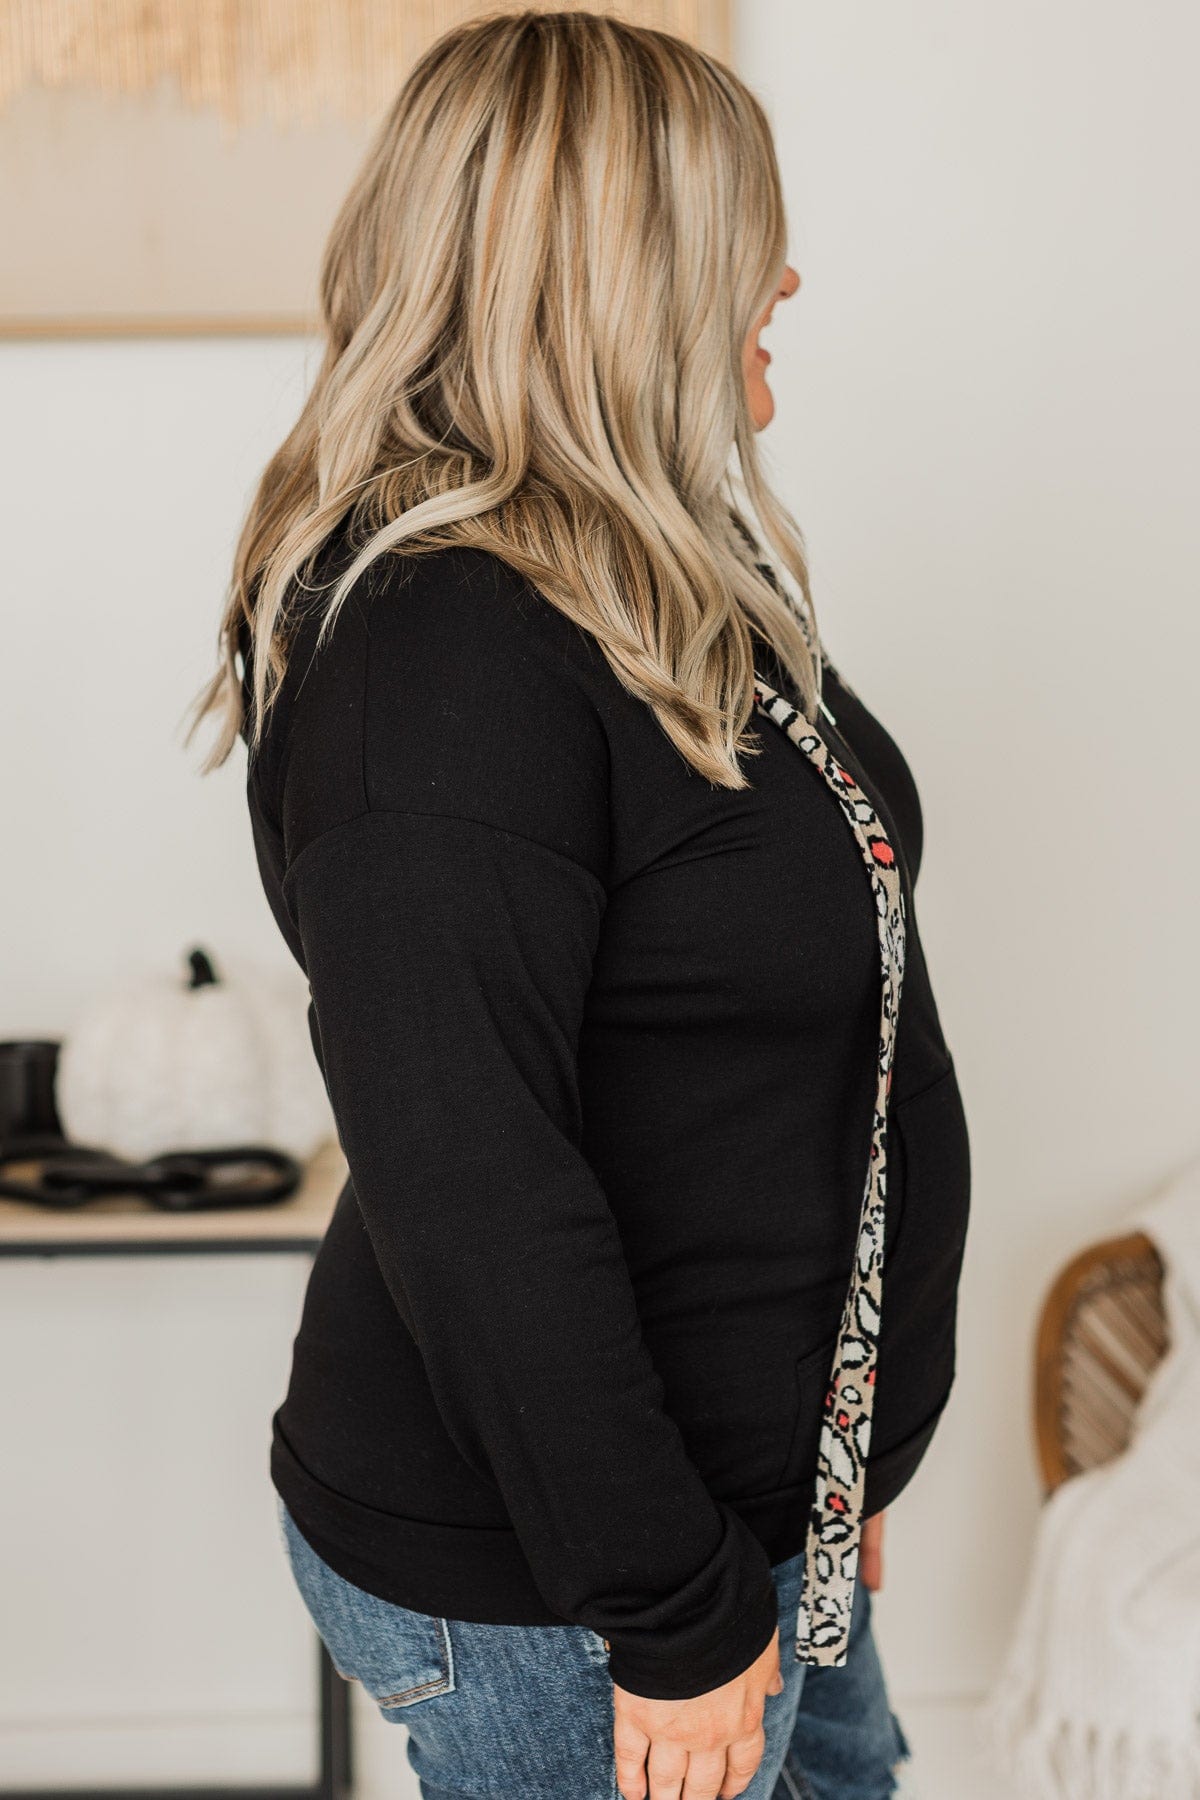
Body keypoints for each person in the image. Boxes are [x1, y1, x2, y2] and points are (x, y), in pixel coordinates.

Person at [187, 11, 971, 1798]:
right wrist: (672, 1613)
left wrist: (841, 1461)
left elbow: (824, 1016)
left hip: (754, 1511)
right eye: (745, 231)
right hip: (575, 1589)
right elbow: (475, 1185)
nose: (784, 275)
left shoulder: (651, 580)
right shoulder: (439, 661)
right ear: (618, 272)